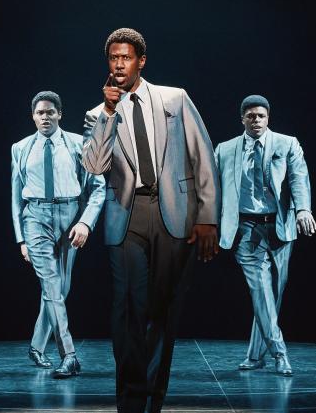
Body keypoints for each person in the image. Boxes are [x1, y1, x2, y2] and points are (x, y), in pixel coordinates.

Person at [82, 28, 220, 413]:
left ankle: (152, 400)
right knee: (127, 306)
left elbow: (202, 156)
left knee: (163, 308)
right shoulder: (97, 113)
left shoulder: (174, 98)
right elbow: (94, 166)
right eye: (113, 59)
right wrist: (108, 113)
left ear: (141, 61)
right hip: (127, 216)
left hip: (174, 212)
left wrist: (208, 217)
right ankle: (131, 400)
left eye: (125, 58)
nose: (119, 65)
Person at [215, 95, 316, 376]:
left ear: (268, 118)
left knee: (273, 295)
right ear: (242, 119)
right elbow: (214, 192)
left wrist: (303, 210)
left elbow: (299, 178)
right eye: (251, 116)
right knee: (261, 290)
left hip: (280, 227)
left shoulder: (287, 144)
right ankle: (279, 353)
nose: (256, 120)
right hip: (246, 229)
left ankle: (255, 355)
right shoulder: (225, 149)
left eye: (261, 116)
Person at [11, 91, 105, 378]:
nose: (45, 117)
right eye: (40, 112)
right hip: (35, 218)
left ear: (60, 114)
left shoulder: (79, 144)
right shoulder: (21, 148)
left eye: (51, 112)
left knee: (60, 290)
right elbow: (16, 195)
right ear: (33, 116)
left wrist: (85, 223)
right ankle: (70, 355)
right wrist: (22, 239)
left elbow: (98, 187)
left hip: (70, 217)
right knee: (52, 286)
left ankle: (36, 346)